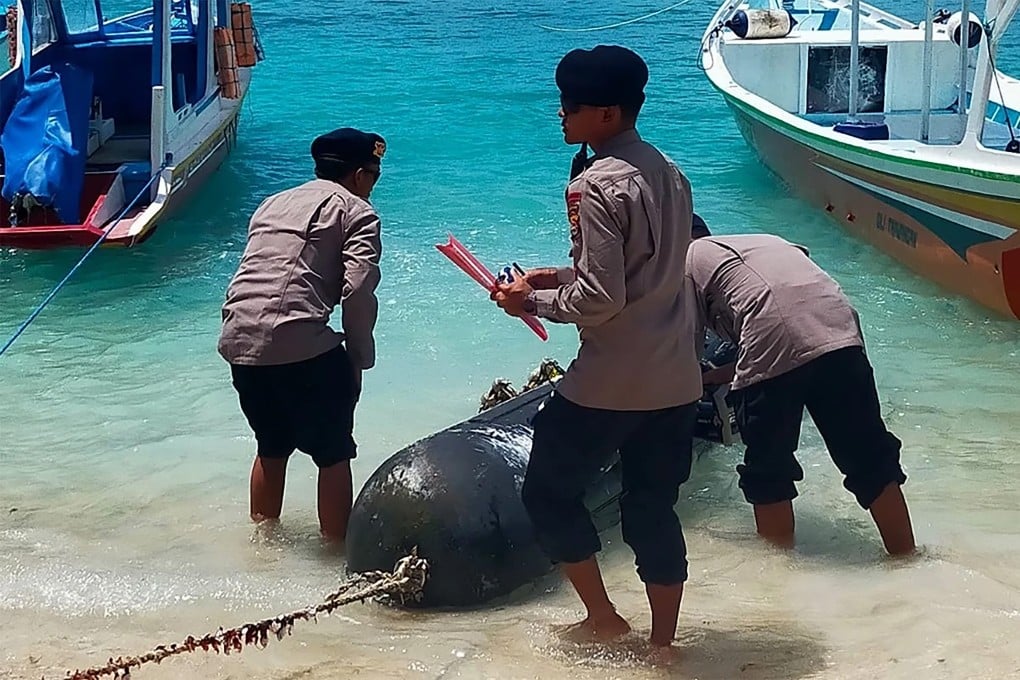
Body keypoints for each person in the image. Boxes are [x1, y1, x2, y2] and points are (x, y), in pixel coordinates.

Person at [491, 45, 703, 653]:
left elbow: (601, 300)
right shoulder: (670, 172)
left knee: (548, 495)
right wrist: (551, 275)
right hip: (676, 379)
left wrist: (526, 304)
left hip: (609, 383)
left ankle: (603, 617)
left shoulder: (593, 186)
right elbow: (650, 269)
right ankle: (664, 643)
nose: (560, 114)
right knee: (653, 509)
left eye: (570, 105)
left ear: (605, 115)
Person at [685, 218, 916, 556]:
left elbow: (684, 352)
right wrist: (713, 377)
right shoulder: (765, 239)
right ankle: (906, 556)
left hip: (772, 332)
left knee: (768, 470)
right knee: (870, 459)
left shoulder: (684, 261)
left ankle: (779, 580)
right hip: (840, 327)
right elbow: (791, 322)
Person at [217, 127, 385, 543]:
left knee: (271, 446)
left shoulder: (271, 203)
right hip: (297, 341)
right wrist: (358, 357)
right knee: (333, 454)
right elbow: (358, 288)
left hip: (239, 339)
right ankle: (334, 555)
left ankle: (263, 549)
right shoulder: (357, 212)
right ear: (362, 176)